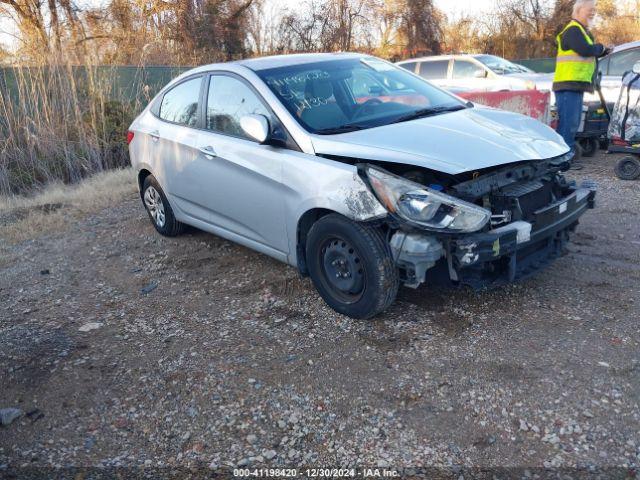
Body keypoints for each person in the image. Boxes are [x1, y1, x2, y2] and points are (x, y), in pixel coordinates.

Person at [553, 0, 610, 166]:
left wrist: (601, 50)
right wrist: (600, 48)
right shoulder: (573, 30)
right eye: (590, 9)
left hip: (575, 85)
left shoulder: (581, 31)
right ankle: (562, 159)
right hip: (567, 85)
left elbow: (587, 50)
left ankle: (565, 156)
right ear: (578, 10)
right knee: (568, 123)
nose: (593, 13)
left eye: (594, 10)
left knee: (572, 122)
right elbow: (585, 49)